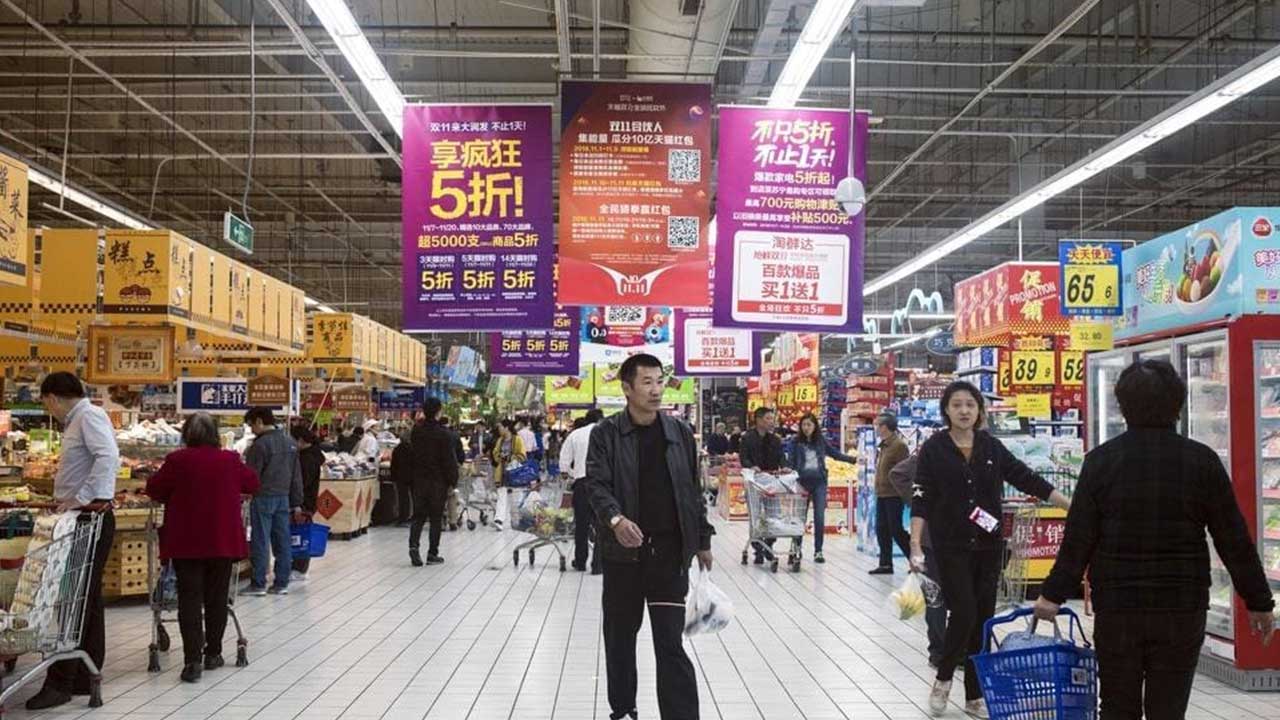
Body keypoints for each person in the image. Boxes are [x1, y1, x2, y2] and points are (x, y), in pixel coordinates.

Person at [1034, 360, 1275, 720]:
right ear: (1177, 405)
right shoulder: (1201, 461)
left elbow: (1079, 538)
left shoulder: (1101, 462)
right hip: (1181, 604)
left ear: (1122, 405)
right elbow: (1232, 538)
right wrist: (1258, 601)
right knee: (1168, 708)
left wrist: (1052, 593)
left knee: (1117, 706)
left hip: (1118, 605)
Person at [909, 381, 1071, 718]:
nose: (964, 411)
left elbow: (1025, 477)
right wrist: (915, 544)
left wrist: (1067, 503)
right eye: (957, 405)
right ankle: (942, 679)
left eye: (970, 404)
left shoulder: (991, 447)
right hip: (950, 544)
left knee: (983, 617)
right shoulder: (934, 448)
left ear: (979, 410)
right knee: (965, 611)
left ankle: (974, 695)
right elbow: (921, 496)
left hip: (988, 544)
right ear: (946, 410)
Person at [585, 354, 713, 720]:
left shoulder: (679, 433)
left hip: (670, 556)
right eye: (647, 382)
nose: (656, 390)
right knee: (621, 638)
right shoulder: (606, 434)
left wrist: (702, 539)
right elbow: (596, 484)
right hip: (623, 556)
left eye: (659, 381)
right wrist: (615, 519)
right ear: (626, 388)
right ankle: (624, 709)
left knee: (671, 643)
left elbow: (692, 489)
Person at [26, 372, 119, 711]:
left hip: (87, 518)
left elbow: (108, 458)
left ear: (52, 397)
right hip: (82, 516)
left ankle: (62, 680)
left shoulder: (88, 416)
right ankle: (84, 673)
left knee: (71, 599)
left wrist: (79, 499)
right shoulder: (81, 419)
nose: (48, 409)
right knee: (84, 600)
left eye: (45, 402)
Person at [146, 413, 259, 683]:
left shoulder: (177, 461)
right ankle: (213, 653)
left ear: (187, 434)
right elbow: (253, 484)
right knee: (217, 598)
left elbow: (155, 489)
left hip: (186, 541)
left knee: (190, 599)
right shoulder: (229, 460)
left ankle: (192, 661)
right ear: (213, 434)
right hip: (222, 540)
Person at [891, 450, 946, 668]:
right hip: (932, 539)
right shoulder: (932, 451)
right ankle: (943, 651)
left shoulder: (977, 450)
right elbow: (897, 473)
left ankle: (942, 651)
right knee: (936, 598)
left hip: (952, 540)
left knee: (938, 598)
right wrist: (916, 499)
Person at [243, 407, 304, 596]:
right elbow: (296, 476)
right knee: (282, 541)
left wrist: (245, 493)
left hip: (263, 498)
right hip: (283, 498)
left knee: (260, 540)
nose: (251, 429)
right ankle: (281, 583)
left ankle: (258, 583)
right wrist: (296, 502)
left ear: (260, 421)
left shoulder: (259, 446)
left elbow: (251, 477)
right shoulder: (290, 442)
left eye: (251, 425)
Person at [788, 413, 856, 564]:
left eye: (809, 425)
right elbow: (790, 461)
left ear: (814, 426)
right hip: (801, 483)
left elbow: (835, 454)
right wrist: (790, 475)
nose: (806, 428)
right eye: (804, 425)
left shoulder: (820, 441)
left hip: (819, 482)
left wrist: (853, 460)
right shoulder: (795, 442)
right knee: (800, 518)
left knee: (819, 517)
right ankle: (796, 549)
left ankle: (818, 551)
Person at [409, 397, 460, 566]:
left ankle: (414, 548)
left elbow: (414, 455)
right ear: (439, 411)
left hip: (419, 480)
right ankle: (432, 553)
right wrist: (453, 481)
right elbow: (449, 460)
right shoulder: (444, 434)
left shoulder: (417, 432)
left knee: (418, 516)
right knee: (436, 518)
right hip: (438, 482)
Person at [739, 407, 789, 563]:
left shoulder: (775, 440)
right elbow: (744, 458)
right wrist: (751, 466)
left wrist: (785, 466)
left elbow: (781, 457)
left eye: (772, 418)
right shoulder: (747, 438)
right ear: (759, 420)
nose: (771, 421)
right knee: (755, 515)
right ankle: (757, 547)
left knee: (774, 514)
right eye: (768, 418)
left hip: (771, 482)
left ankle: (769, 544)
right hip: (754, 482)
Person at [562, 408, 605, 573]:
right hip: (603, 485)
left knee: (581, 525)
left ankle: (580, 562)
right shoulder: (608, 434)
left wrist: (573, 475)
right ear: (601, 420)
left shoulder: (576, 435)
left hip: (582, 484)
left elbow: (564, 463)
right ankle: (598, 565)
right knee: (602, 525)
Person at [871, 413, 912, 575]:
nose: (876, 428)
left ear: (885, 427)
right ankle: (885, 564)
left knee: (896, 529)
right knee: (882, 529)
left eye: (878, 425)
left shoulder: (899, 446)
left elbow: (904, 471)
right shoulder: (884, 445)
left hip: (893, 494)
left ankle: (916, 560)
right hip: (881, 493)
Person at [290, 426, 323, 582]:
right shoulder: (312, 456)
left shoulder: (306, 459)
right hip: (307, 501)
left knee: (300, 535)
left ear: (301, 441)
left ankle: (299, 568)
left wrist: (297, 501)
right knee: (300, 534)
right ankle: (299, 567)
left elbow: (302, 482)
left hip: (303, 502)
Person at [490, 419, 527, 486]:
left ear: (506, 428)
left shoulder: (518, 439)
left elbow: (523, 456)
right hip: (501, 473)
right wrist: (500, 456)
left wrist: (510, 457)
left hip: (514, 472)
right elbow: (495, 453)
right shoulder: (500, 440)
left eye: (500, 427)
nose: (499, 429)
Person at [390, 430, 415, 525]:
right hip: (413, 476)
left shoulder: (397, 449)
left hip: (400, 476)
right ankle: (414, 516)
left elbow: (394, 464)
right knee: (414, 497)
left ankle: (402, 517)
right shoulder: (414, 448)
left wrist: (393, 476)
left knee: (402, 497)